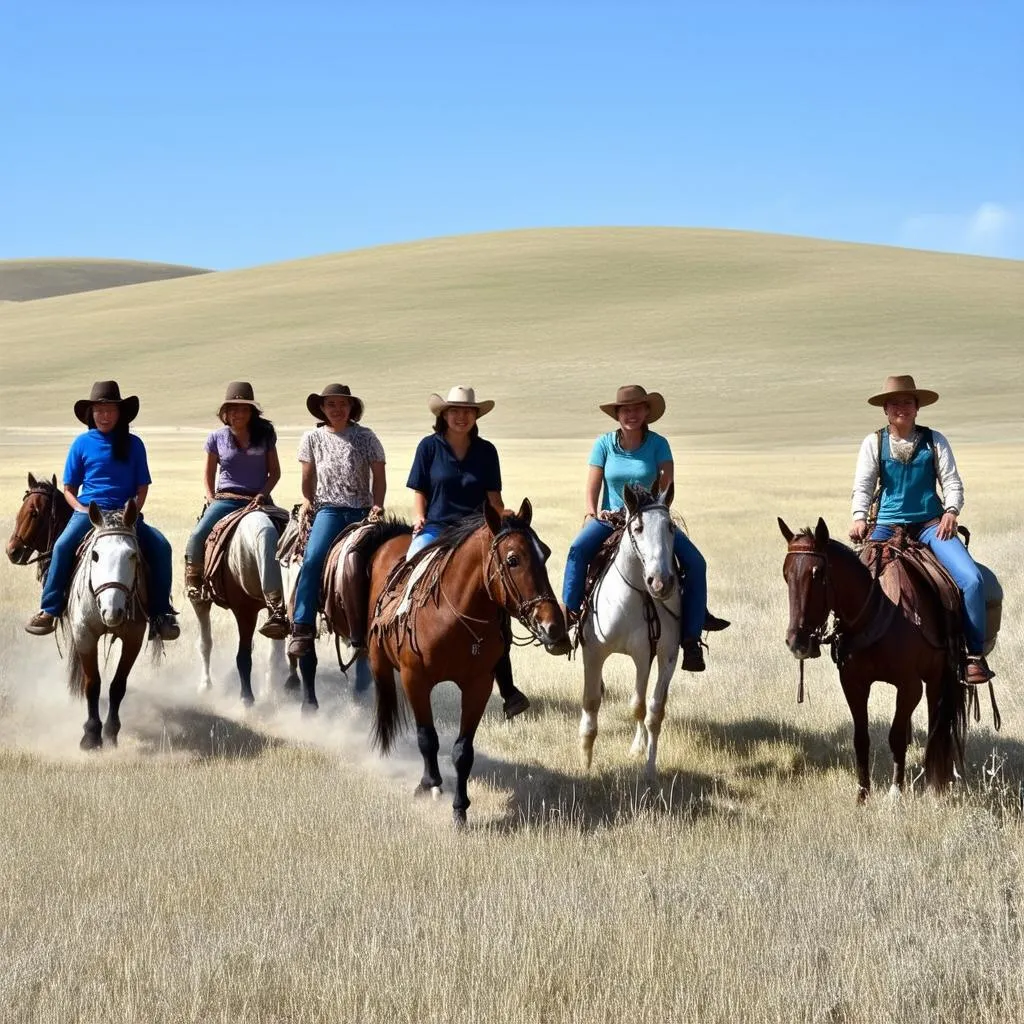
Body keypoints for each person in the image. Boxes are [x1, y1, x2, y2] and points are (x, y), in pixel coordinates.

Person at [561, 384, 722, 672]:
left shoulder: (659, 444)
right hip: (613, 518)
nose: (630, 414)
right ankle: (569, 617)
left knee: (696, 563)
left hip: (650, 518)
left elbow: (666, 487)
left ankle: (691, 638)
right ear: (617, 414)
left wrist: (655, 514)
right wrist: (590, 512)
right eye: (625, 409)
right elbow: (593, 485)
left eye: (636, 408)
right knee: (578, 549)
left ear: (647, 412)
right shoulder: (604, 444)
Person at [849, 374, 994, 685]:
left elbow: (952, 483)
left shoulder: (934, 440)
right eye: (895, 403)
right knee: (853, 580)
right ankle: (845, 643)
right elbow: (863, 486)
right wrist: (860, 517)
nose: (901, 407)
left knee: (971, 579)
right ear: (885, 409)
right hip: (886, 527)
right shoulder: (873, 442)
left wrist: (951, 512)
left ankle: (974, 655)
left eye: (907, 402)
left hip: (930, 525)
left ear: (917, 407)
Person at [406, 385, 533, 718]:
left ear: (476, 416)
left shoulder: (486, 451)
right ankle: (400, 639)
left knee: (500, 596)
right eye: (454, 411)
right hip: (435, 529)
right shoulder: (429, 447)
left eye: (467, 411)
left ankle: (506, 684)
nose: (461, 416)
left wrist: (504, 516)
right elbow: (419, 489)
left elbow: (494, 500)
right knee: (409, 570)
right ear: (444, 415)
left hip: (477, 535)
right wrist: (419, 516)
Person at [25, 380, 179, 640]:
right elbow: (69, 488)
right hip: (90, 512)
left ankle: (161, 614)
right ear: (91, 414)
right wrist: (81, 510)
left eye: (109, 410)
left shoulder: (134, 444)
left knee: (162, 547)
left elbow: (142, 487)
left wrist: (132, 512)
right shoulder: (81, 444)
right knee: (62, 547)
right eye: (99, 410)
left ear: (120, 414)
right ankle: (49, 610)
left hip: (124, 514)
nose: (104, 416)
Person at [288, 383, 386, 658]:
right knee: (313, 558)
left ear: (351, 407)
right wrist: (308, 499)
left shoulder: (366, 437)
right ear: (322, 408)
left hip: (363, 511)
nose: (337, 409)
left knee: (387, 562)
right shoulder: (312, 438)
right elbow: (307, 477)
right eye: (330, 404)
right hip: (329, 510)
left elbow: (378, 477)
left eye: (342, 404)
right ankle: (303, 626)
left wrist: (377, 505)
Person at [183, 381, 288, 639]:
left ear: (251, 412)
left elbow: (274, 472)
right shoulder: (216, 438)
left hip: (258, 500)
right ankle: (195, 581)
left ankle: (283, 598)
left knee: (289, 534)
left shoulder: (265, 436)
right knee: (197, 536)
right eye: (233, 409)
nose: (238, 414)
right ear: (225, 413)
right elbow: (208, 475)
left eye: (244, 409)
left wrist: (262, 495)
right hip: (227, 498)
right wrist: (210, 500)